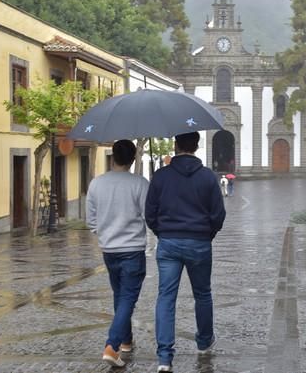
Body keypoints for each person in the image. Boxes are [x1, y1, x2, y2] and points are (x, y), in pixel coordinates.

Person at [145, 132, 226, 373]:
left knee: (166, 297)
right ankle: (203, 342)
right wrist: (207, 234)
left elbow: (150, 213)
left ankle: (164, 357)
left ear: (175, 145)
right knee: (202, 294)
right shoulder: (208, 177)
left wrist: (163, 232)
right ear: (197, 146)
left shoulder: (160, 177)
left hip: (169, 243)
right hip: (199, 243)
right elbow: (218, 215)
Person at [85, 139, 149, 367]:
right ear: (133, 159)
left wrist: (104, 233)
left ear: (113, 157)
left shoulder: (96, 184)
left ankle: (126, 341)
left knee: (120, 296)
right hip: (132, 249)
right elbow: (148, 215)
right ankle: (112, 345)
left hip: (109, 250)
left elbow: (90, 221)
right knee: (128, 298)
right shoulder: (140, 184)